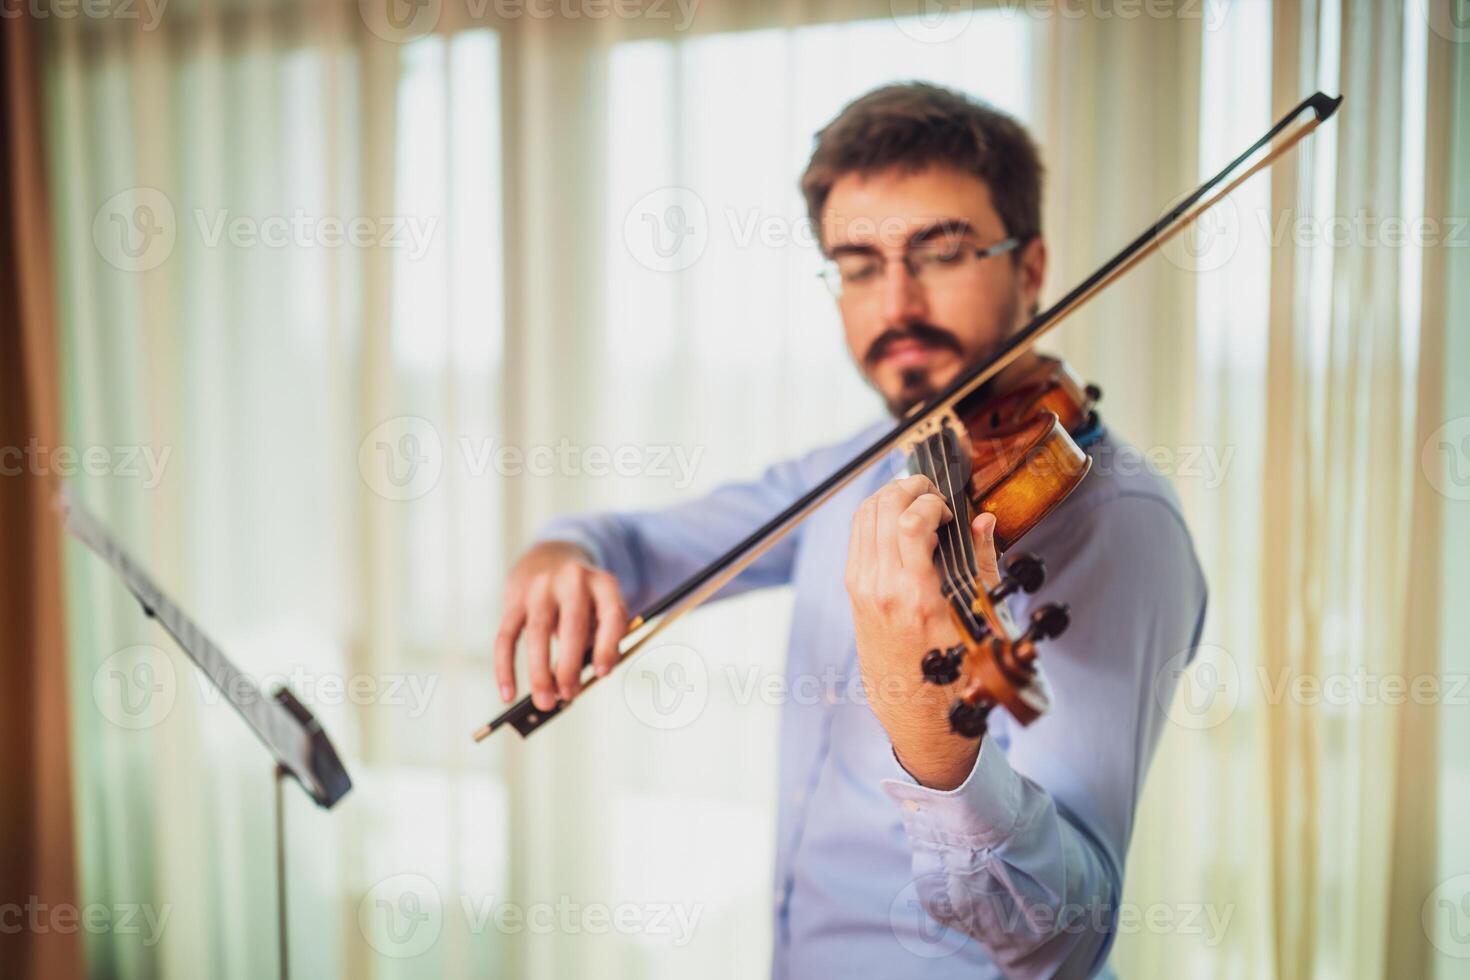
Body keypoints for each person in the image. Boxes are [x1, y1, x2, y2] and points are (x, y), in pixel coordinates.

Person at [492, 82, 1207, 978]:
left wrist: (935, 737)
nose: (895, 302)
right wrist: (565, 551)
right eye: (859, 265)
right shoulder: (871, 457)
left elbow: (1066, 937)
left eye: (941, 253)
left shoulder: (1117, 527)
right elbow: (638, 546)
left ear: (1030, 269)